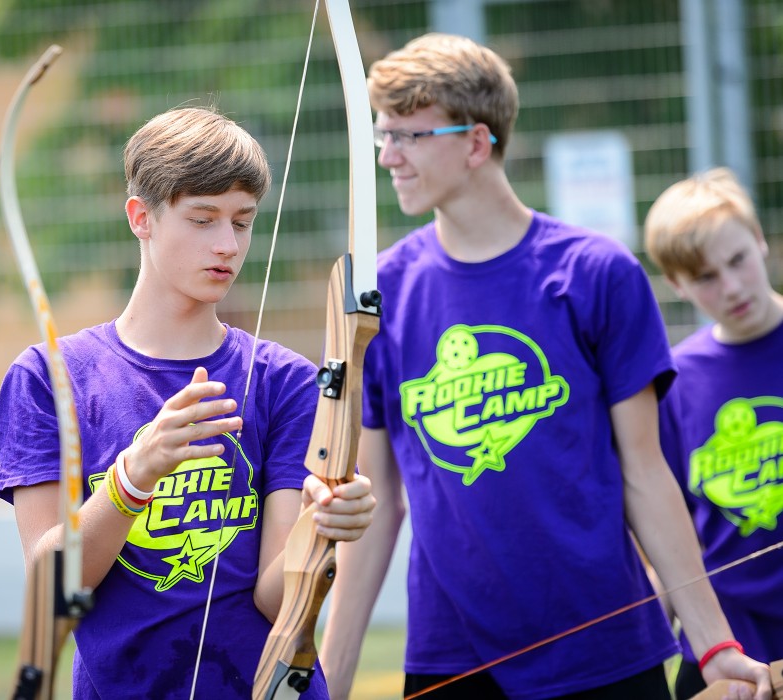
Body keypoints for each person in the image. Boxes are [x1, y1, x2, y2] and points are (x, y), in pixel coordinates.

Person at [317, 33, 772, 700]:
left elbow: (646, 474)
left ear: (477, 143)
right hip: (453, 658)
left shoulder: (594, 272)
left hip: (609, 652)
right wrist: (328, 679)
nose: (388, 156)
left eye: (408, 137)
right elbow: (377, 504)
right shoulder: (381, 293)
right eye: (383, 136)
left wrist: (715, 646)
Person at [0, 105, 376, 699]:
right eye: (203, 219)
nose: (228, 244)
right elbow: (50, 587)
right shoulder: (47, 377)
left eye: (243, 221)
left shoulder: (285, 379)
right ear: (141, 217)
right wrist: (132, 478)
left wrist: (320, 529)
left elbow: (276, 598)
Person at [644, 168, 783, 698]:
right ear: (677, 284)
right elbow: (664, 530)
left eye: (738, 260)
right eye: (705, 277)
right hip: (724, 649)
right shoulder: (673, 383)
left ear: (760, 241)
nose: (731, 286)